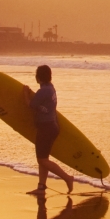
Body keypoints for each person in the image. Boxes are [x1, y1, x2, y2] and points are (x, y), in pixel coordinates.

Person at [24, 64, 74, 194]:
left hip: (46, 128)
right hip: (51, 126)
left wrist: (25, 94)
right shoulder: (51, 89)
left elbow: (31, 105)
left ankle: (67, 178)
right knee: (44, 158)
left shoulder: (43, 91)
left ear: (38, 77)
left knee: (42, 160)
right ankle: (41, 187)